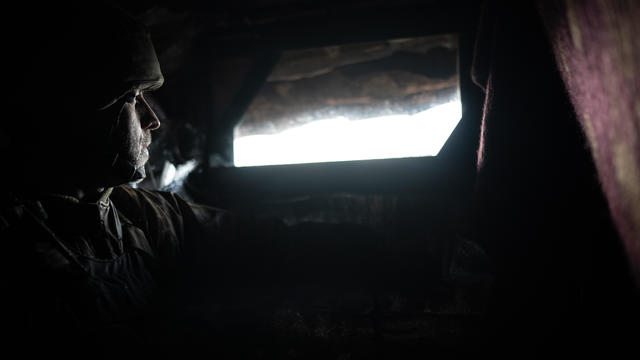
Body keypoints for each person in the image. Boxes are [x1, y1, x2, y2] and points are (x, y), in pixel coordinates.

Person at [0, 3, 228, 357]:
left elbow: (254, 237)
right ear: (76, 115)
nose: (152, 120)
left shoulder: (138, 212)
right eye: (132, 98)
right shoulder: (13, 242)